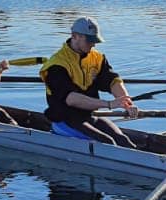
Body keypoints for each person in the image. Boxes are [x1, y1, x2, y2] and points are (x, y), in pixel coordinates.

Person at [41, 16, 137, 147]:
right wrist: (109, 104)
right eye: (89, 40)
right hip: (65, 119)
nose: (93, 44)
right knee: (108, 142)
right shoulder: (57, 65)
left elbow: (112, 81)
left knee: (123, 140)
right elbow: (71, 99)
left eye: (95, 40)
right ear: (75, 36)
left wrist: (125, 101)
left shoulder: (97, 58)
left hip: (89, 116)